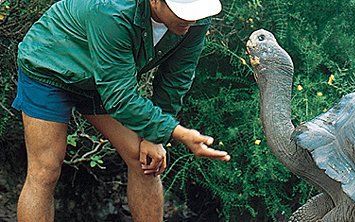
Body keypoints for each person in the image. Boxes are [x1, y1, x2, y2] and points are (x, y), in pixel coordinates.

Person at [11, 0, 231, 221]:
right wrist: (179, 132)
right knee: (45, 171)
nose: (191, 20)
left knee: (146, 160)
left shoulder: (195, 19)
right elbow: (119, 97)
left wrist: (153, 137)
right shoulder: (111, 10)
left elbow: (176, 78)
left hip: (103, 78)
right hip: (50, 67)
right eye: (183, 12)